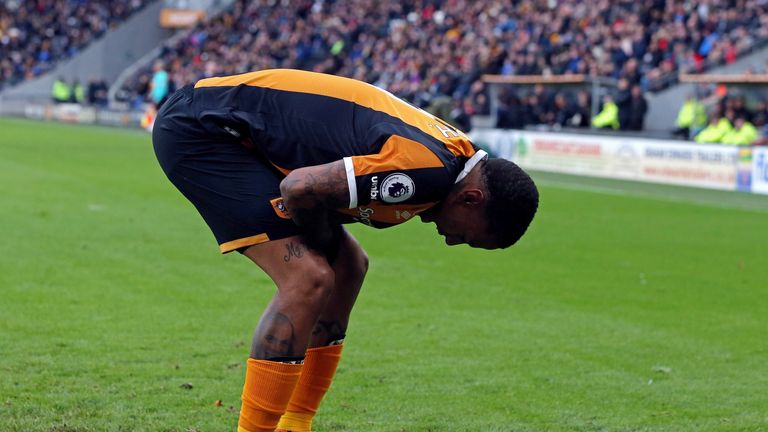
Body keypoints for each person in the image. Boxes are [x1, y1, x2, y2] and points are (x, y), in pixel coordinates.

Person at [152, 69, 539, 432]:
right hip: (203, 131)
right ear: (472, 198)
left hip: (233, 128)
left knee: (350, 265)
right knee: (309, 277)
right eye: (468, 238)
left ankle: (296, 423)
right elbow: (300, 188)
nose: (453, 241)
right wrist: (321, 242)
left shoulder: (454, 153)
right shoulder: (428, 174)